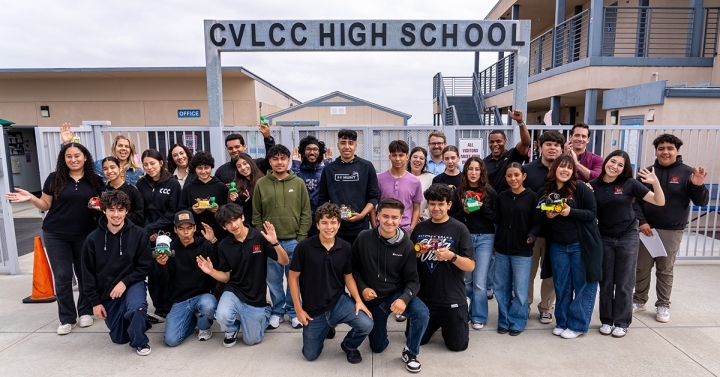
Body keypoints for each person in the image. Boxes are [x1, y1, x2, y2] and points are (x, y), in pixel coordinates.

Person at [7, 140, 103, 335]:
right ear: (63, 159)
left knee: (85, 274)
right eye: (69, 156)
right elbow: (46, 205)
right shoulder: (54, 178)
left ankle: (85, 311)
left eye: (77, 156)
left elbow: (100, 205)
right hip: (56, 233)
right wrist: (32, 198)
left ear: (85, 158)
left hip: (85, 233)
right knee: (62, 276)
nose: (73, 159)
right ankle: (67, 318)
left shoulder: (95, 180)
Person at [632, 134, 709, 323]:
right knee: (641, 268)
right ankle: (639, 300)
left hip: (671, 230)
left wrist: (698, 186)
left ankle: (663, 304)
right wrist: (642, 222)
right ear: (656, 151)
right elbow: (635, 201)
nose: (665, 152)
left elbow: (702, 201)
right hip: (646, 229)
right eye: (661, 148)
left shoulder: (687, 173)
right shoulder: (646, 172)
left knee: (665, 269)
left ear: (677, 151)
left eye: (670, 148)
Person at [590, 150, 665, 338]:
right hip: (604, 236)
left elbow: (659, 201)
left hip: (627, 236)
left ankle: (622, 322)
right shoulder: (593, 185)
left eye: (620, 165)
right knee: (606, 281)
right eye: (612, 161)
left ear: (624, 169)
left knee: (624, 281)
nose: (614, 166)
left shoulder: (630, 184)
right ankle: (607, 320)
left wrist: (655, 182)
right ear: (606, 161)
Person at [289, 203, 374, 364]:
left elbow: (348, 277)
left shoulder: (345, 247)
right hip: (314, 309)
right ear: (317, 225)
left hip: (338, 302)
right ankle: (326, 327)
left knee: (367, 324)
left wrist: (358, 300)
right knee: (310, 355)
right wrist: (298, 310)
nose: (329, 227)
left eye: (333, 222)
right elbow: (292, 278)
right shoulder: (304, 247)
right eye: (325, 222)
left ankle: (349, 345)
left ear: (339, 224)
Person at [352, 199, 429, 372]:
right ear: (378, 215)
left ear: (401, 218)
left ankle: (411, 352)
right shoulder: (363, 237)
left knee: (421, 313)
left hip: (395, 294)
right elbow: (353, 268)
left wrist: (404, 298)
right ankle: (379, 332)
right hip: (373, 301)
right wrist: (363, 287)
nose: (389, 221)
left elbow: (413, 280)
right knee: (378, 347)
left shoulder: (407, 245)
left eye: (394, 217)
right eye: (385, 216)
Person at [197, 203, 289, 347]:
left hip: (256, 296)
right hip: (234, 291)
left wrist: (275, 243)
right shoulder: (224, 245)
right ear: (223, 227)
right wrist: (211, 272)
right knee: (221, 315)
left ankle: (266, 310)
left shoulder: (259, 237)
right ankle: (232, 328)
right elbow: (226, 277)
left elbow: (284, 261)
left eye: (235, 219)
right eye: (228, 223)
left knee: (251, 340)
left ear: (243, 217)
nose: (233, 225)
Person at [80, 190, 153, 355]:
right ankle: (139, 322)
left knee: (137, 308)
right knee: (119, 338)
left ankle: (140, 342)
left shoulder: (139, 235)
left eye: (120, 209)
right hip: (108, 292)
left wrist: (124, 282)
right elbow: (87, 274)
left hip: (132, 284)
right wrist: (95, 303)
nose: (116, 214)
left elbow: (144, 267)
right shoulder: (92, 240)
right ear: (104, 210)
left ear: (127, 211)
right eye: (111, 210)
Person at [540, 155, 602, 339]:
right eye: (562, 167)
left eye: (569, 167)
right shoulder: (547, 191)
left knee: (582, 285)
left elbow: (592, 213)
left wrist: (570, 211)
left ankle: (577, 325)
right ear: (555, 169)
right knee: (561, 285)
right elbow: (540, 216)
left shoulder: (581, 188)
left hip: (580, 244)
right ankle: (562, 322)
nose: (565, 170)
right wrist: (548, 216)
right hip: (558, 246)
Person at [253, 144, 312, 329]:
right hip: (271, 243)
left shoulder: (298, 183)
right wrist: (264, 238)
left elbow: (305, 212)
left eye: (283, 158)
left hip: (294, 241)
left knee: (294, 279)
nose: (279, 162)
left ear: (288, 160)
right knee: (274, 280)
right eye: (275, 159)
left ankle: (294, 311)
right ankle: (278, 311)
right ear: (270, 161)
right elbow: (256, 214)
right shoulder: (262, 184)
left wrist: (301, 238)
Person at [413, 184, 475, 351]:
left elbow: (470, 266)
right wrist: (416, 254)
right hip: (424, 298)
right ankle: (434, 324)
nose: (436, 208)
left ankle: (461, 311)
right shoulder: (420, 228)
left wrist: (451, 256)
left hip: (451, 298)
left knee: (458, 346)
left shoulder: (460, 229)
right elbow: (410, 260)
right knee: (418, 340)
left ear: (449, 205)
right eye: (432, 203)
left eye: (441, 204)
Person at [158, 210, 219, 347]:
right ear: (175, 229)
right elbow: (162, 281)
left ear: (195, 228)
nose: (186, 233)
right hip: (180, 299)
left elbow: (220, 266)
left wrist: (214, 242)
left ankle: (203, 327)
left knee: (209, 305)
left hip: (202, 295)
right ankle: (191, 321)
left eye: (189, 228)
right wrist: (161, 266)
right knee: (171, 340)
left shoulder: (205, 244)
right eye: (181, 228)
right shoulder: (169, 249)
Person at [493, 163, 541, 336]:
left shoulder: (532, 197)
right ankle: (504, 320)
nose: (513, 179)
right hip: (502, 250)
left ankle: (517, 321)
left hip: (522, 250)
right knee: (501, 286)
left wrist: (532, 235)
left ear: (524, 176)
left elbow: (537, 222)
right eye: (509, 176)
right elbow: (497, 219)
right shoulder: (502, 196)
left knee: (520, 288)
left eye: (516, 175)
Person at [522, 130, 564, 324]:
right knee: (527, 273)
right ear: (539, 146)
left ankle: (546, 307)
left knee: (551, 273)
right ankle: (525, 305)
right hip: (533, 232)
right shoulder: (528, 170)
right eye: (548, 144)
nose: (552, 148)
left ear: (561, 149)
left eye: (556, 145)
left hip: (557, 233)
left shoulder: (565, 171)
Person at [453, 157, 498, 331]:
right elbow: (451, 218)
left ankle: (479, 316)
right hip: (465, 239)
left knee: (480, 281)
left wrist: (481, 208)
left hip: (485, 239)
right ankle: (465, 313)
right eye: (470, 169)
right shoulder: (458, 192)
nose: (473, 173)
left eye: (477, 169)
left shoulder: (489, 192)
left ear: (482, 172)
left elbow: (496, 217)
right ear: (465, 171)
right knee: (467, 280)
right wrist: (464, 212)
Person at [136, 149, 181, 322]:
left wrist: (154, 229)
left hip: (166, 235)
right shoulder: (141, 184)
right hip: (147, 235)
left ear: (161, 163)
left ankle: (171, 306)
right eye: (145, 164)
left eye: (152, 163)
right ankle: (159, 309)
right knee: (153, 271)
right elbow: (140, 209)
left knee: (166, 269)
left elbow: (172, 212)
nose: (149, 167)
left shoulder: (172, 183)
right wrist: (147, 230)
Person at [318, 129, 379, 245]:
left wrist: (361, 215)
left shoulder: (366, 167)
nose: (347, 146)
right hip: (336, 228)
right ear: (338, 145)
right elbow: (323, 198)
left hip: (361, 228)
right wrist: (332, 218)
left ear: (356, 146)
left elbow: (374, 196)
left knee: (359, 261)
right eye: (343, 142)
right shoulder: (329, 169)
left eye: (350, 143)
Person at [179, 151, 229, 241]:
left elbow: (229, 209)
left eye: (206, 168)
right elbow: (180, 211)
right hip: (196, 234)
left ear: (211, 167)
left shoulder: (221, 187)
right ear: (195, 169)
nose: (203, 171)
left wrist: (219, 209)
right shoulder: (188, 188)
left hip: (219, 232)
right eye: (199, 168)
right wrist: (192, 210)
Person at [377, 140, 423, 233]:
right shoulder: (378, 178)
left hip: (405, 229)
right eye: (394, 155)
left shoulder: (415, 181)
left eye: (401, 155)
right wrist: (375, 225)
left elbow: (416, 208)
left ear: (407, 157)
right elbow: (373, 205)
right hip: (382, 228)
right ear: (389, 157)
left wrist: (412, 228)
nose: (397, 159)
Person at [292, 135, 333, 236]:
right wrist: (296, 166)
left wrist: (329, 166)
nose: (311, 152)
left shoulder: (324, 170)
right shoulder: (297, 170)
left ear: (320, 153)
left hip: (321, 219)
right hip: (301, 220)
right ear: (302, 152)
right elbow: (292, 186)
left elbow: (335, 187)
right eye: (308, 149)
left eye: (315, 149)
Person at [484, 109, 531, 193]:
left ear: (505, 141)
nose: (495, 144)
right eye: (492, 142)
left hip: (510, 202)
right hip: (491, 203)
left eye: (498, 141)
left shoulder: (513, 155)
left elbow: (525, 142)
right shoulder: (484, 163)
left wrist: (520, 122)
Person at [100, 156, 144, 226]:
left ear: (120, 168)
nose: (109, 171)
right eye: (105, 169)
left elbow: (139, 217)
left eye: (112, 167)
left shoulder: (133, 191)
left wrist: (119, 216)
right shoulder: (102, 191)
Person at [229, 153, 264, 225]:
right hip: (246, 225)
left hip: (262, 223)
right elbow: (233, 210)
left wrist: (252, 199)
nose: (243, 167)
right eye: (239, 166)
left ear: (251, 163)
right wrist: (236, 200)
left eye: (245, 163)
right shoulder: (235, 185)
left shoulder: (263, 180)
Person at [408, 147, 435, 220]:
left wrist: (422, 217)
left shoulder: (431, 178)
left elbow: (433, 201)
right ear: (409, 158)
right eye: (415, 157)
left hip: (424, 220)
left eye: (421, 158)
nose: (418, 160)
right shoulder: (402, 177)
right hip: (404, 221)